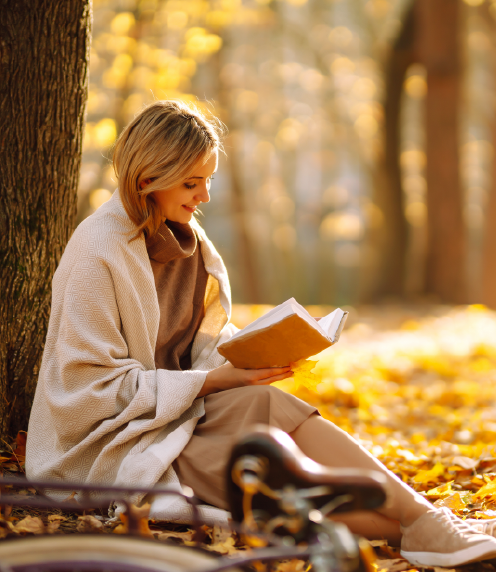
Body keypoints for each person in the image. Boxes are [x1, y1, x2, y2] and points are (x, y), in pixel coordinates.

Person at [25, 100, 496, 568]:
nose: (204, 196)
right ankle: (426, 525)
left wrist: (251, 354)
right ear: (147, 180)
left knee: (267, 405)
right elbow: (89, 392)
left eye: (208, 179)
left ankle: (427, 523)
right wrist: (215, 381)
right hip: (114, 443)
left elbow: (200, 343)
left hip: (175, 415)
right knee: (264, 480)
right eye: (192, 183)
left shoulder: (191, 244)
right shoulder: (96, 252)